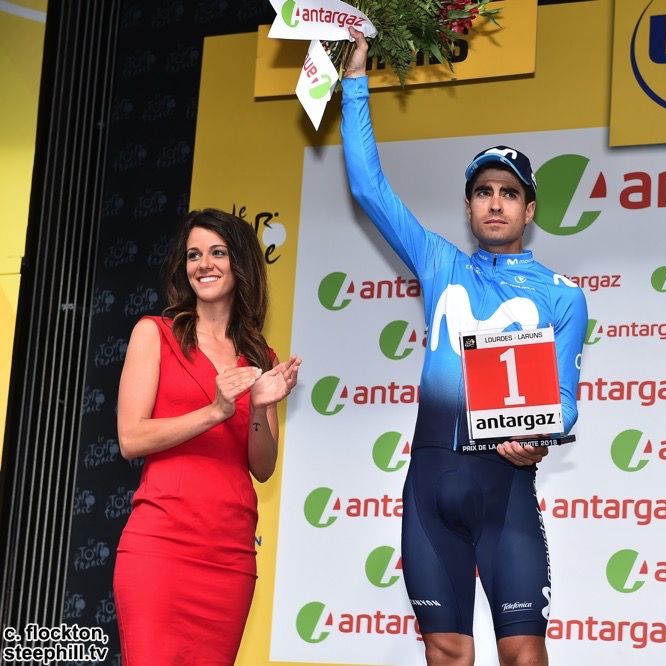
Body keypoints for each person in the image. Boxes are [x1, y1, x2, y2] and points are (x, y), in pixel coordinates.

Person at [337, 26, 588, 666]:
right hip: (431, 483)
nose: (495, 203)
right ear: (469, 206)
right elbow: (369, 190)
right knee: (446, 650)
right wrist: (356, 79)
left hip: (505, 485)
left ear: (529, 210)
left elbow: (563, 400)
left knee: (523, 653)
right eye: (483, 192)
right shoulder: (439, 263)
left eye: (509, 193)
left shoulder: (563, 295)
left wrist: (538, 436)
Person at [113, 208, 302, 664]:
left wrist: (260, 407)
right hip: (160, 547)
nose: (204, 264)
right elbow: (131, 438)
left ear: (241, 263)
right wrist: (216, 410)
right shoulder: (154, 334)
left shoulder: (260, 355)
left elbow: (262, 466)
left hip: (230, 556)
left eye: (217, 252)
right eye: (194, 255)